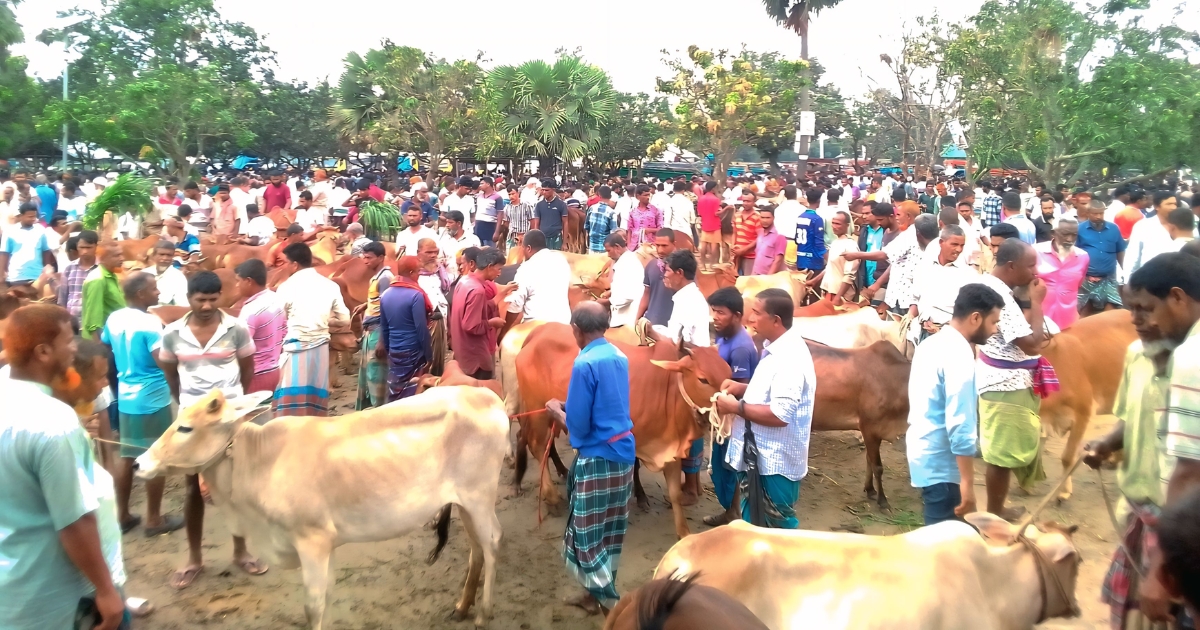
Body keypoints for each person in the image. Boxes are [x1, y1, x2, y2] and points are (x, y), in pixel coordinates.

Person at [0, 305, 127, 630]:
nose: (75, 348)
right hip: (64, 594)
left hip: (15, 584)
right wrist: (105, 590)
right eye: (68, 341)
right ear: (43, 351)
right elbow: (74, 521)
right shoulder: (52, 423)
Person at [1083, 258, 1193, 629]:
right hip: (1142, 513)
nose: (1135, 320)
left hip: (1180, 530)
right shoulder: (1135, 356)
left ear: (1177, 299)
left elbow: (1190, 472)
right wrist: (1106, 443)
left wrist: (1160, 571)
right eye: (1131, 309)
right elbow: (1131, 419)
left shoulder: (1189, 362)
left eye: (1145, 309)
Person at [156, 270, 265, 590]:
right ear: (188, 299)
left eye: (212, 298)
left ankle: (241, 551)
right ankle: (193, 558)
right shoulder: (173, 333)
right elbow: (171, 374)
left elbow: (248, 370)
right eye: (200, 299)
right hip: (193, 420)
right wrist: (187, 407)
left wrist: (232, 406)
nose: (206, 305)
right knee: (192, 489)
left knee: (235, 487)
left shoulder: (237, 329)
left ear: (220, 296)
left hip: (229, 419)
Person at [543, 302, 637, 616]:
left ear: (577, 331)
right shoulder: (618, 355)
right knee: (609, 531)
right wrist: (569, 404)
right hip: (623, 454)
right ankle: (592, 595)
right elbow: (607, 403)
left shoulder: (584, 364)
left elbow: (579, 427)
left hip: (597, 458)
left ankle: (613, 606)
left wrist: (557, 412)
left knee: (584, 534)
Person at [713, 288, 815, 529]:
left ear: (775, 320)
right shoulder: (775, 348)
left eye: (757, 314)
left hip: (774, 462)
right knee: (757, 531)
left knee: (778, 530)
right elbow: (770, 396)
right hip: (761, 458)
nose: (751, 319)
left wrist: (736, 407)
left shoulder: (789, 359)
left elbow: (780, 415)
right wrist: (742, 390)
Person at [907, 284, 1004, 526]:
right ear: (975, 318)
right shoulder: (959, 354)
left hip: (924, 452)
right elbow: (960, 424)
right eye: (993, 322)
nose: (995, 329)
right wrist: (967, 484)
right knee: (944, 551)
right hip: (943, 464)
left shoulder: (931, 343)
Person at [101, 271, 183, 537]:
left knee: (126, 456)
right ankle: (154, 520)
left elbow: (106, 350)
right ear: (140, 294)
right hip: (152, 398)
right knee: (155, 457)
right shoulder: (149, 324)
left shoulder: (114, 318)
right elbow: (164, 363)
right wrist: (180, 388)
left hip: (126, 396)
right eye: (153, 289)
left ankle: (122, 515)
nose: (157, 293)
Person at [974, 238, 1051, 518]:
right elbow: (1031, 344)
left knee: (1003, 452)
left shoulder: (996, 287)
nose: (1035, 272)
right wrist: (1037, 302)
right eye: (1030, 265)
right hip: (1005, 384)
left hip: (1006, 380)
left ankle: (998, 508)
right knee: (1001, 456)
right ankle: (994, 513)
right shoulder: (1000, 297)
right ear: (1011, 266)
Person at [702, 287, 760, 527]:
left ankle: (734, 513)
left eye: (721, 312)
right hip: (723, 413)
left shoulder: (741, 348)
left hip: (732, 418)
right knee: (722, 465)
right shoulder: (724, 335)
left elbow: (741, 388)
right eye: (713, 311)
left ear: (737, 315)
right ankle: (732, 510)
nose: (715, 317)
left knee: (730, 465)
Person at [273, 243, 350, 417]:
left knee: (291, 397)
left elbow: (278, 320)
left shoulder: (286, 287)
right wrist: (324, 321)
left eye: (285, 262)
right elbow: (344, 319)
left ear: (294, 264)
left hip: (295, 347)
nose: (283, 266)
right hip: (320, 347)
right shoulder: (330, 285)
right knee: (315, 396)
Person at [377, 256, 433, 401]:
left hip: (396, 350)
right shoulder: (416, 295)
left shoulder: (385, 295)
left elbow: (384, 328)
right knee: (413, 387)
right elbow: (421, 329)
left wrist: (390, 350)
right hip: (413, 351)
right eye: (418, 271)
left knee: (396, 386)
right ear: (411, 272)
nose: (419, 275)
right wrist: (429, 355)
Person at [910, 225, 976, 344]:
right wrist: (909, 318)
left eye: (962, 245)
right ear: (941, 242)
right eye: (954, 244)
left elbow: (970, 313)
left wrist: (943, 329)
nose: (959, 250)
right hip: (921, 334)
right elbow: (915, 299)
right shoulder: (924, 267)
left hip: (950, 339)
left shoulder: (968, 275)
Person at [449, 248, 508, 380]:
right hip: (475, 357)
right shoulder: (477, 290)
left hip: (462, 351)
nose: (499, 273)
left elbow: (474, 309)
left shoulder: (464, 281)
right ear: (489, 267)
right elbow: (471, 326)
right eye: (499, 269)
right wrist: (493, 323)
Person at [234, 258, 285, 398]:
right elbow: (284, 330)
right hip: (274, 370)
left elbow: (239, 347)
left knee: (252, 418)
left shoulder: (251, 310)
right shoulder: (275, 299)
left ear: (249, 281)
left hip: (255, 376)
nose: (237, 285)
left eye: (238, 281)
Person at [506, 229, 572, 329]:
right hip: (564, 324)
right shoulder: (561, 259)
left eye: (523, 248)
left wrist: (505, 330)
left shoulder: (526, 268)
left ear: (528, 248)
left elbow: (515, 304)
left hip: (535, 326)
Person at [355, 241, 394, 409]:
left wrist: (382, 341)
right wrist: (366, 305)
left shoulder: (385, 278)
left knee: (376, 375)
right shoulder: (377, 277)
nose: (365, 261)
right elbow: (379, 301)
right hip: (371, 331)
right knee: (369, 374)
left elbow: (387, 309)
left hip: (378, 331)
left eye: (369, 258)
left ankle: (379, 411)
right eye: (364, 257)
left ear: (381, 258)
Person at [1076, 199, 1127, 317]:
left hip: (1108, 278)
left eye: (1101, 213)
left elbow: (1120, 250)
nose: (1099, 216)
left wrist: (1125, 271)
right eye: (1095, 213)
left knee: (1112, 313)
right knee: (1083, 313)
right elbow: (1075, 253)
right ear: (1088, 213)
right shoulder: (1080, 229)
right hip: (1086, 279)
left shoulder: (1114, 228)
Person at [1035, 218, 1089, 330]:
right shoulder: (1035, 252)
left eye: (1074, 235)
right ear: (1053, 233)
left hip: (1068, 320)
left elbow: (1078, 284)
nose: (1070, 239)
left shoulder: (1083, 257)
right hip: (1039, 318)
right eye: (1065, 234)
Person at [807, 210, 860, 305]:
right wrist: (814, 281)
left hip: (840, 296)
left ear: (847, 225)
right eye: (833, 223)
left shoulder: (850, 245)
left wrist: (838, 297)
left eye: (838, 224)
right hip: (829, 291)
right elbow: (829, 267)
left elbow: (849, 275)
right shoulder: (835, 242)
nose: (834, 226)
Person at [1126, 191, 1179, 281]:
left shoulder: (1182, 225)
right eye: (1169, 204)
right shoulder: (1143, 226)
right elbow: (1133, 255)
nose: (1173, 207)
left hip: (1178, 278)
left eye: (1175, 204)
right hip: (1150, 279)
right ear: (1157, 206)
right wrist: (1127, 280)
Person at [416, 237, 451, 375]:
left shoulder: (439, 271)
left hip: (441, 323)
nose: (433, 256)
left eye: (435, 252)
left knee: (438, 364)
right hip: (424, 327)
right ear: (418, 253)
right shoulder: (413, 274)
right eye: (428, 252)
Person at [0, 202, 54, 287]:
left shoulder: (40, 230)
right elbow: (4, 254)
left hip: (37, 276)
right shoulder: (9, 231)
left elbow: (46, 251)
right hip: (16, 277)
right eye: (30, 217)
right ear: (21, 216)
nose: (33, 219)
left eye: (34, 216)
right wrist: (1, 274)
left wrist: (47, 268)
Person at [856, 203, 900, 306]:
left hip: (885, 282)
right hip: (869, 277)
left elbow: (888, 258)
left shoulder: (894, 233)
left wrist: (855, 255)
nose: (864, 216)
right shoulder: (865, 230)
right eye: (863, 213)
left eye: (867, 213)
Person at [81, 244, 126, 340]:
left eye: (122, 254)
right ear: (103, 258)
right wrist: (99, 349)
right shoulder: (97, 279)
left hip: (113, 336)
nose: (122, 258)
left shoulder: (111, 275)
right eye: (116, 255)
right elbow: (94, 320)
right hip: (100, 341)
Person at [636, 228, 678, 327]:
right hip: (650, 324)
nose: (660, 250)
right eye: (657, 245)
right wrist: (637, 319)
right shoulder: (651, 265)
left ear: (674, 244)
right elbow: (646, 294)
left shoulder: (683, 268)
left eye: (664, 246)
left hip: (673, 326)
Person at [600, 233, 642, 328]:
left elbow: (627, 296)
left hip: (626, 320)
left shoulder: (628, 264)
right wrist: (611, 292)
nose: (608, 255)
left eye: (609, 250)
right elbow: (624, 286)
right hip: (621, 317)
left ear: (617, 247)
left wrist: (605, 302)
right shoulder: (625, 261)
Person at [58, 229, 99, 322]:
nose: (85, 251)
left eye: (89, 247)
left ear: (96, 247)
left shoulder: (102, 269)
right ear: (77, 247)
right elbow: (62, 298)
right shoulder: (69, 269)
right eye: (81, 247)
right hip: (73, 321)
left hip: (94, 322)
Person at [438, 210, 481, 282]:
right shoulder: (443, 239)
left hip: (468, 279)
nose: (447, 225)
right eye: (446, 222)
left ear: (459, 223)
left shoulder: (473, 239)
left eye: (450, 222)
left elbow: (478, 260)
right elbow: (439, 258)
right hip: (448, 279)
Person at [792, 199, 827, 275]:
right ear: (818, 202)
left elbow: (796, 239)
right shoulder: (817, 219)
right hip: (813, 259)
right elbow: (819, 242)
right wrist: (826, 256)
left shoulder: (800, 217)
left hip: (800, 258)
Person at [752, 205, 788, 275]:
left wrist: (768, 279)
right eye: (762, 217)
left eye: (768, 218)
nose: (765, 220)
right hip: (757, 275)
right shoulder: (760, 233)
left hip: (770, 278)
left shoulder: (779, 236)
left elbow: (778, 260)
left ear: (773, 218)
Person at [732, 192, 762, 276]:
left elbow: (759, 238)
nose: (745, 203)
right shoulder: (737, 215)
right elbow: (734, 232)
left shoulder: (757, 217)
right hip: (737, 255)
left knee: (748, 280)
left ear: (754, 202)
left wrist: (744, 250)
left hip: (751, 256)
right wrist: (733, 246)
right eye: (744, 201)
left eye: (748, 201)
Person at [584, 186, 618, 254]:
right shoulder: (612, 212)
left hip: (592, 246)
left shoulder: (591, 209)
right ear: (610, 196)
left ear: (599, 195)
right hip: (605, 249)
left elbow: (586, 227)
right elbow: (613, 233)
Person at [697, 181, 722, 270]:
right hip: (715, 225)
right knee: (714, 246)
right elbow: (717, 213)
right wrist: (727, 209)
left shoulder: (701, 199)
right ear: (713, 188)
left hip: (705, 224)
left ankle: (703, 264)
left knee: (703, 245)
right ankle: (711, 265)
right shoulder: (716, 199)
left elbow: (699, 213)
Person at [503, 185, 535, 252]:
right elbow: (506, 223)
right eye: (509, 194)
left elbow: (532, 220)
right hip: (512, 236)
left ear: (518, 193)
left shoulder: (526, 205)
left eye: (513, 194)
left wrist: (531, 235)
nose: (511, 196)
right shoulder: (507, 207)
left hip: (524, 236)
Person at [474, 176, 503, 246]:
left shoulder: (497, 197)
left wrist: (497, 231)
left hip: (490, 226)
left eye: (482, 184)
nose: (480, 186)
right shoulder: (479, 196)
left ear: (488, 184)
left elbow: (500, 215)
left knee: (489, 249)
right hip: (479, 225)